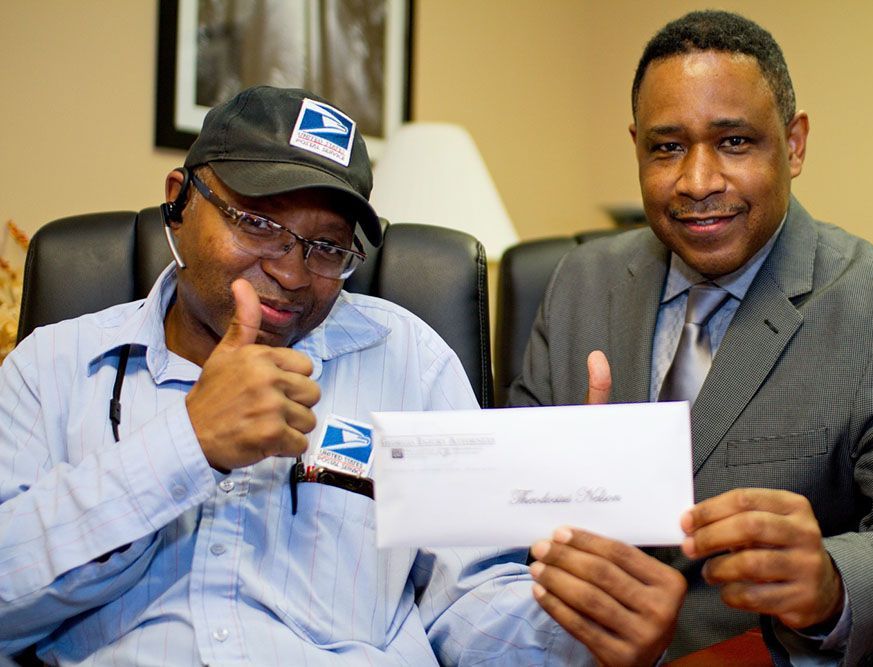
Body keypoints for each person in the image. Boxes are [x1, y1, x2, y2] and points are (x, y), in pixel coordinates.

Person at [0, 86, 601, 665]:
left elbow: (468, 603)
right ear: (180, 202)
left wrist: (578, 621)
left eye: (327, 247)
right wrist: (185, 444)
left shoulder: (411, 362)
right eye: (258, 223)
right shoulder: (52, 367)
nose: (291, 273)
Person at [513, 10, 873, 665]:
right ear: (637, 146)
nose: (698, 180)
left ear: (794, 144)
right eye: (666, 146)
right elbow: (508, 494)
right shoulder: (580, 280)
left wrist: (831, 583)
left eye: (734, 142)